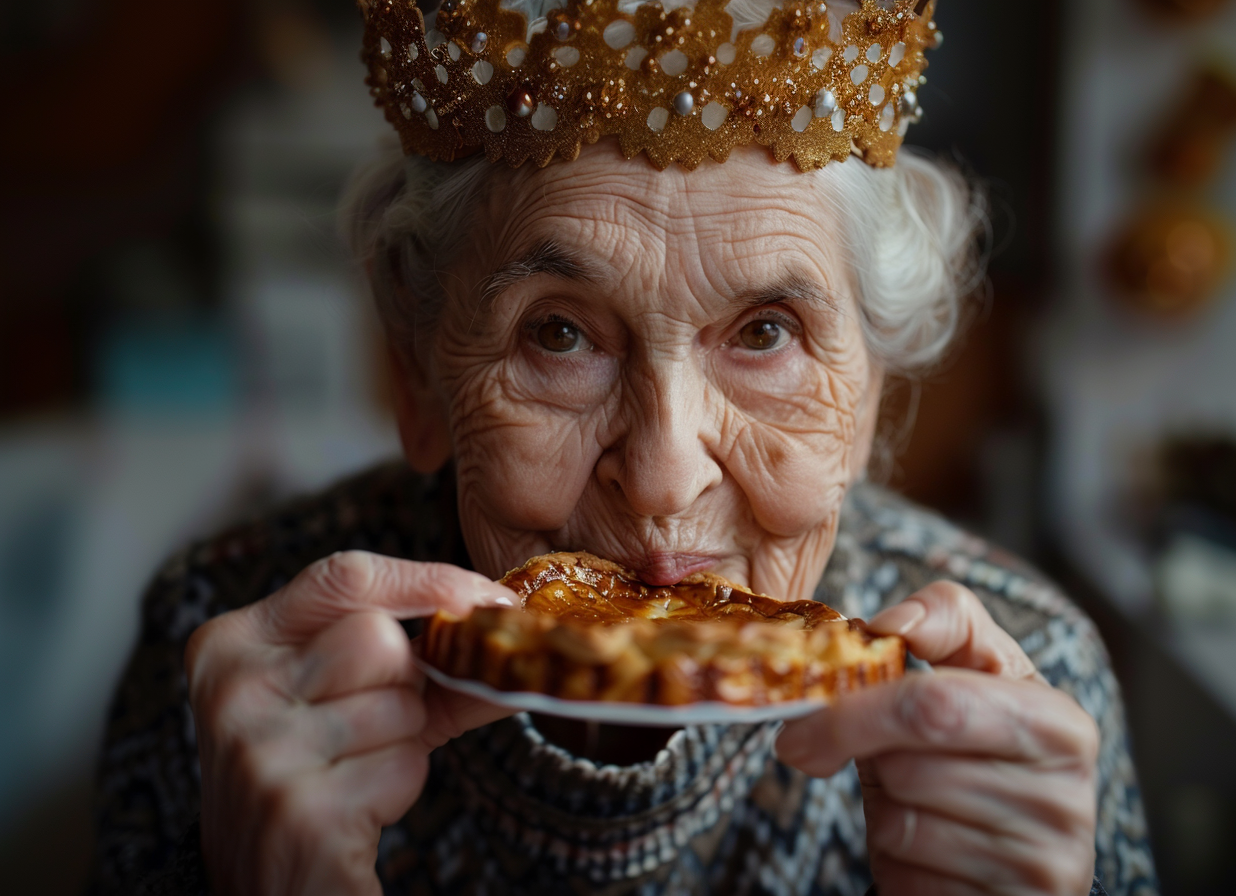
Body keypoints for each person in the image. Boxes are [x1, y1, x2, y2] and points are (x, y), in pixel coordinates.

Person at [92, 0, 1160, 893]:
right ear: (419, 371)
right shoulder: (238, 668)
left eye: (766, 335)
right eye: (558, 334)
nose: (661, 478)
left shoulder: (1024, 695)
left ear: (868, 396)